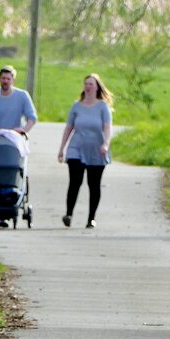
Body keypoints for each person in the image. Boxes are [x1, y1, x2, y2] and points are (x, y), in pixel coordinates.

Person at [0, 66, 37, 225]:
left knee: (12, 171)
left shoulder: (22, 96)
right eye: (3, 78)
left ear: (13, 80)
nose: (5, 81)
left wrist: (24, 130)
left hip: (14, 140)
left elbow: (32, 117)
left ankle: (11, 200)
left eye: (8, 79)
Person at [56, 74, 113, 229]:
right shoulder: (76, 106)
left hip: (96, 149)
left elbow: (107, 128)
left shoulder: (102, 107)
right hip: (76, 148)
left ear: (97, 87)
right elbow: (69, 128)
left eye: (91, 84)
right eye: (86, 84)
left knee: (93, 184)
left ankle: (91, 218)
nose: (88, 87)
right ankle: (68, 214)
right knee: (75, 182)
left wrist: (106, 144)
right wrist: (62, 149)